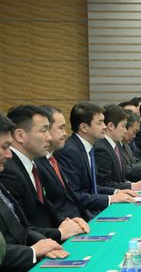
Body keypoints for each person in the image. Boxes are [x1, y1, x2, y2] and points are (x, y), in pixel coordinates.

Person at [1, 106, 88, 242]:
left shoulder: (35, 164)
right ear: (19, 136)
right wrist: (59, 233)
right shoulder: (9, 170)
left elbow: (47, 208)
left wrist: (69, 222)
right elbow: (21, 228)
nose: (49, 137)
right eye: (44, 131)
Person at [0, 114, 69, 271]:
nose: (9, 154)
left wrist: (46, 243)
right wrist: (32, 252)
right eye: (4, 147)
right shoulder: (9, 172)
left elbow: (20, 228)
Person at [55, 102, 138, 213]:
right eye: (100, 123)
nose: (104, 127)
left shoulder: (88, 148)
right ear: (84, 127)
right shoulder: (70, 151)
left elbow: (92, 187)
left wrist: (116, 192)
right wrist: (110, 198)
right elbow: (74, 195)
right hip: (80, 216)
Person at [35, 106, 92, 221]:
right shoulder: (38, 164)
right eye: (61, 128)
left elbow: (70, 198)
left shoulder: (52, 159)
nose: (65, 133)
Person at [94, 105, 141, 190]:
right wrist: (131, 186)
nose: (125, 131)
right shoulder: (102, 148)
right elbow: (104, 184)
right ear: (111, 126)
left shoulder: (115, 145)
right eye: (123, 126)